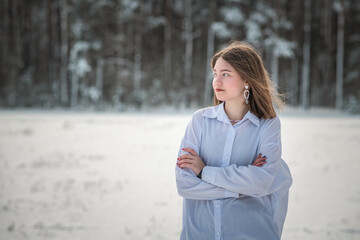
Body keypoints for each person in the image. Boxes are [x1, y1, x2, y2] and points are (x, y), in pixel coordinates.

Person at [175, 41, 292, 240]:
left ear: (246, 79)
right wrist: (243, 188)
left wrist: (204, 172)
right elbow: (184, 184)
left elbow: (263, 182)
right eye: (215, 74)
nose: (216, 82)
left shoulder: (268, 125)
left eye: (226, 74)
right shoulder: (200, 121)